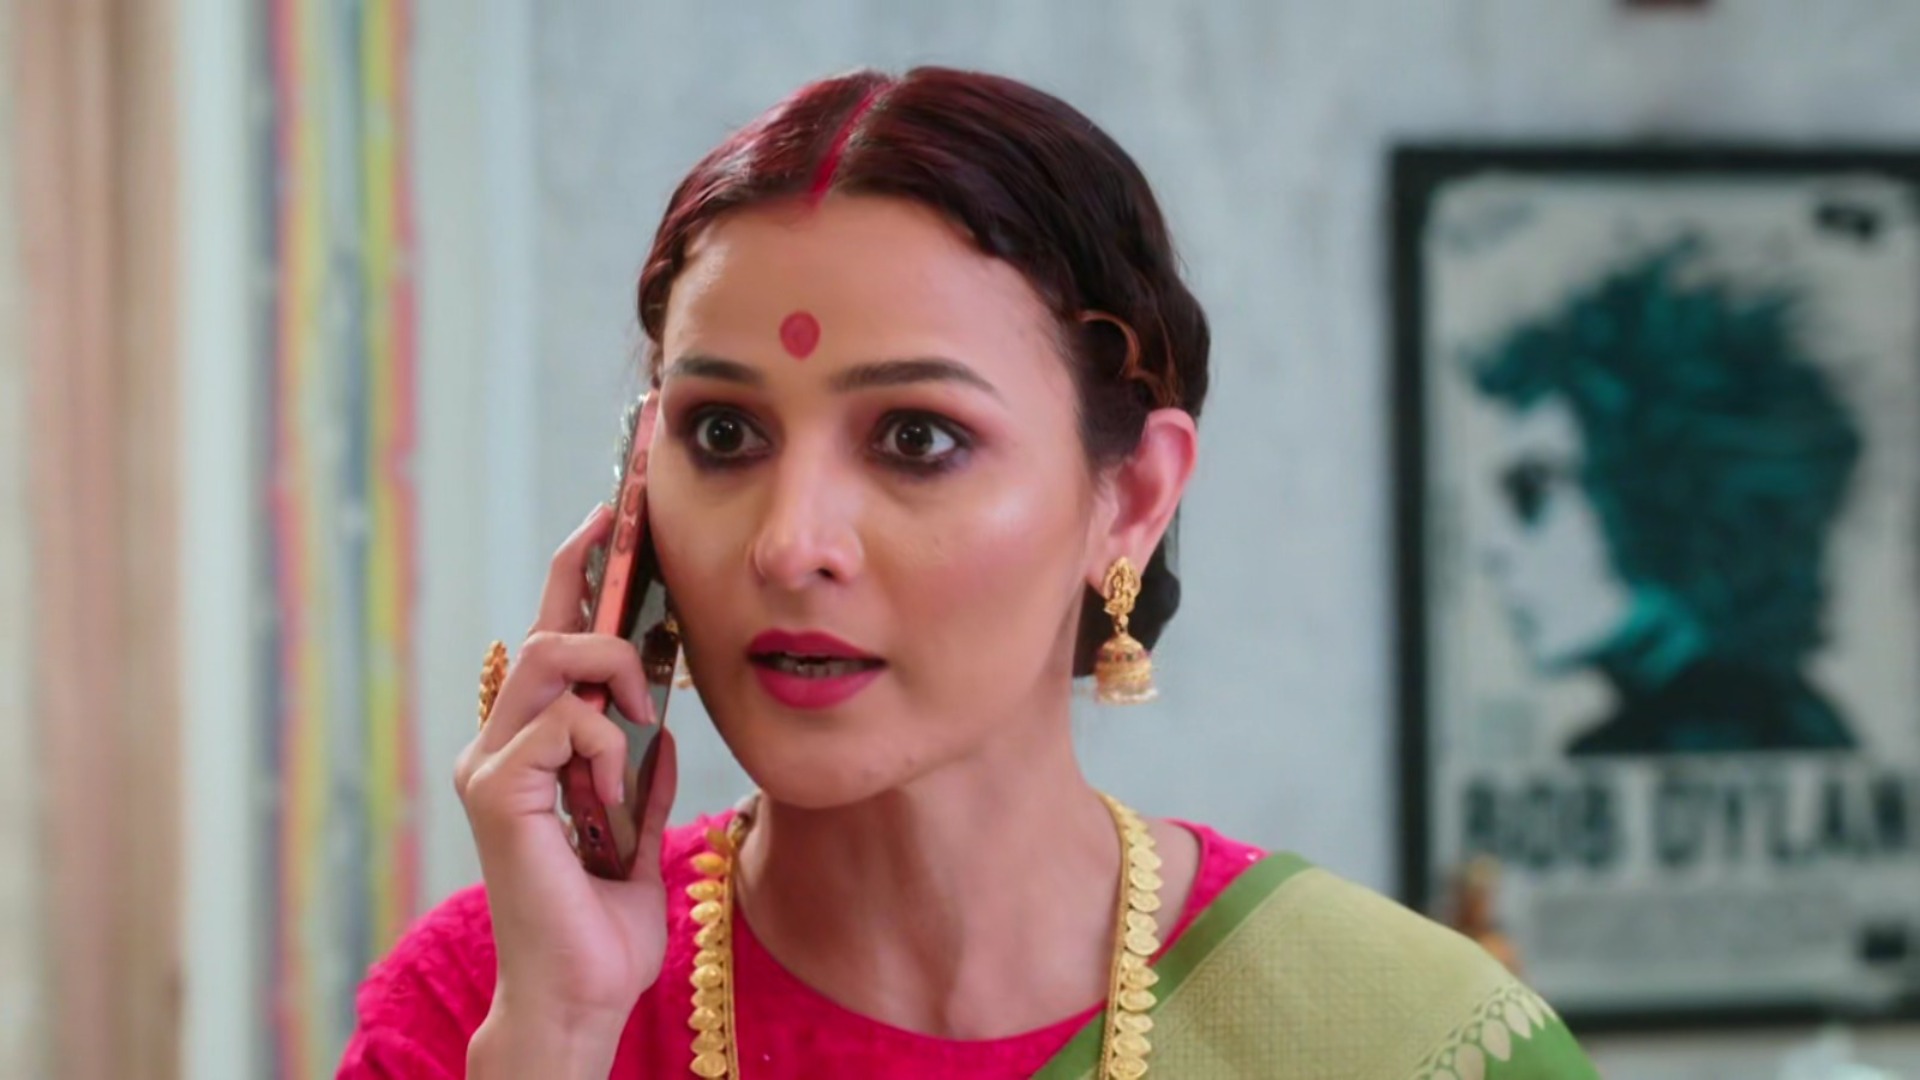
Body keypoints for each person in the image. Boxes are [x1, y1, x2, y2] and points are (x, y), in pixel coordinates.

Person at [340, 67, 1596, 1078]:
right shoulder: (486, 1006)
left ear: (1132, 497)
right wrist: (563, 1035)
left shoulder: (1409, 1044)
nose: (789, 542)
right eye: (723, 433)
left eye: (916, 440)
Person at [1474, 243, 1863, 757]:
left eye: (1533, 495)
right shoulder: (1804, 730)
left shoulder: (1659, 752)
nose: (1492, 549)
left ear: (1663, 504)